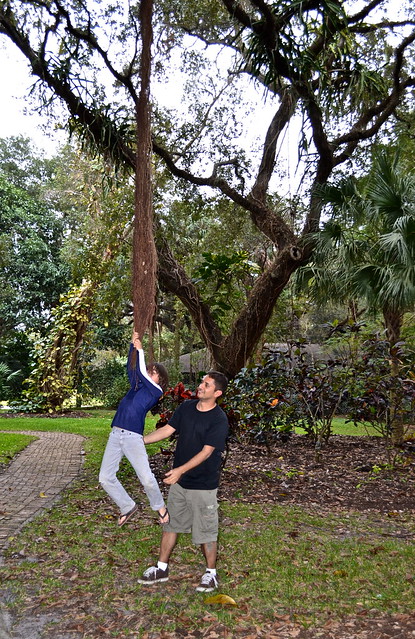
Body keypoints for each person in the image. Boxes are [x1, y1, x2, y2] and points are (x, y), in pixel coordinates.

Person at [137, 370, 229, 593]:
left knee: (207, 530)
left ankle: (211, 574)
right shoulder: (186, 408)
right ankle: (161, 568)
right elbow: (167, 430)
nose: (200, 386)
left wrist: (179, 470)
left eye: (206, 385)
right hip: (179, 484)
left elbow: (207, 452)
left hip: (203, 485)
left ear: (217, 392)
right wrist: (138, 442)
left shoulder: (219, 419)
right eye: (201, 382)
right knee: (170, 525)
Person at [99, 331, 169, 527]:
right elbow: (132, 369)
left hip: (132, 437)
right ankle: (127, 506)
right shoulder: (136, 387)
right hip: (116, 434)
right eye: (149, 369)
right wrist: (132, 346)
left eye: (153, 371)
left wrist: (140, 350)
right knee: (105, 477)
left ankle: (161, 508)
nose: (149, 371)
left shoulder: (156, 392)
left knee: (146, 478)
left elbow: (140, 370)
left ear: (160, 379)